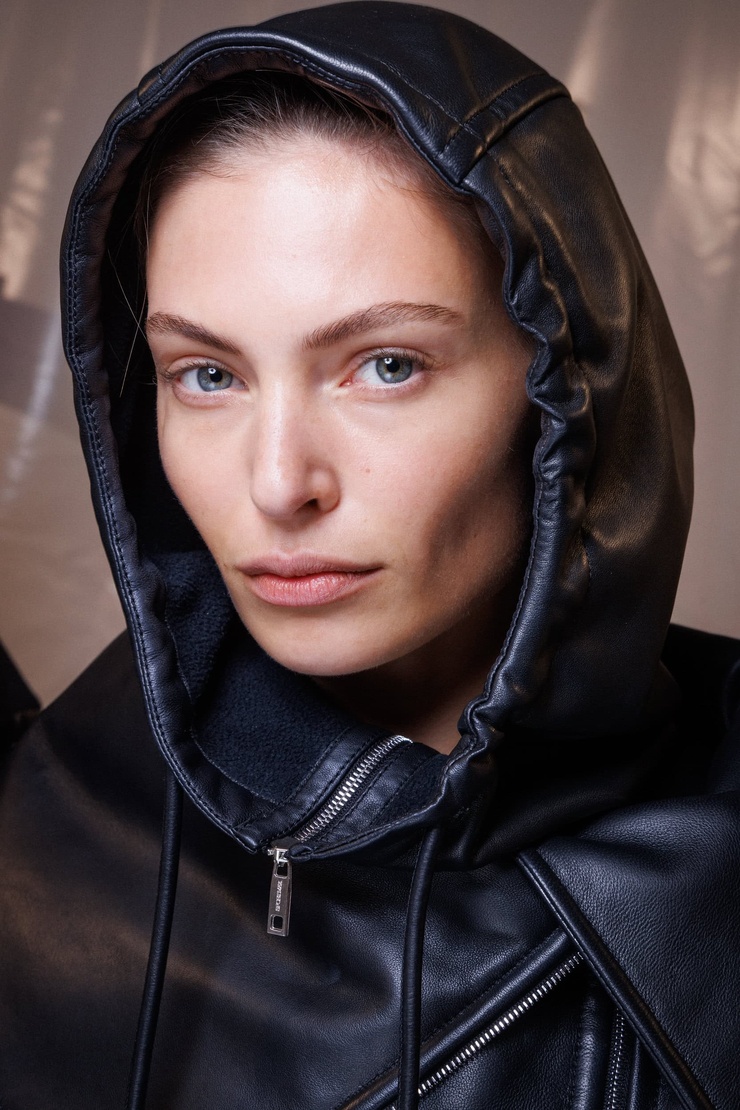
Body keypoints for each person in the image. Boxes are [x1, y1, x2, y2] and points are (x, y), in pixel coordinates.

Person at [1, 3, 738, 1108]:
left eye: (386, 365)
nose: (277, 483)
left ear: (566, 392)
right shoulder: (47, 814)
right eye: (208, 375)